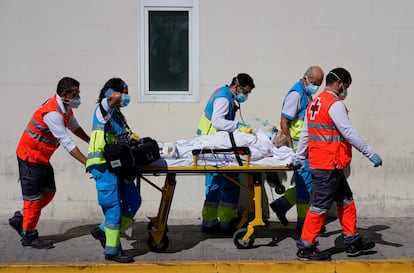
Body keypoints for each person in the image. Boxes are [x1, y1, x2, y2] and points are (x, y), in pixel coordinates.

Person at [294, 67, 383, 261]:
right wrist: (370, 153)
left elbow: (306, 133)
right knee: (319, 206)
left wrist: (300, 156)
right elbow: (348, 132)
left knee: (346, 200)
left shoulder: (315, 102)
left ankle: (351, 241)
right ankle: (305, 247)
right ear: (340, 83)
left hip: (326, 164)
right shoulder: (334, 104)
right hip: (329, 164)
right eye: (347, 86)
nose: (346, 91)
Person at [8, 77, 90, 249]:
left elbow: (74, 127)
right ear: (64, 94)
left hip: (42, 158)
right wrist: (86, 162)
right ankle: (29, 236)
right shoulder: (53, 113)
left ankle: (20, 219)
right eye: (76, 94)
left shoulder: (64, 107)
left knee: (48, 192)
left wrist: (91, 141)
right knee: (33, 199)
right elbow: (66, 141)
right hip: (30, 158)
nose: (78, 97)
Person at [86, 78, 141, 263]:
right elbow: (112, 97)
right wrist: (117, 91)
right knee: (113, 208)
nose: (126, 97)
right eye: (124, 93)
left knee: (133, 200)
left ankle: (103, 231)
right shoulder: (104, 108)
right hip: (102, 164)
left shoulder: (116, 113)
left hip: (117, 165)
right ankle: (112, 250)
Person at [196, 73, 255, 233]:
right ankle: (225, 223)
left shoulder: (222, 93)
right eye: (246, 92)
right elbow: (217, 121)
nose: (246, 96)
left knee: (213, 185)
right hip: (215, 147)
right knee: (230, 183)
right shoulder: (223, 98)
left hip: (211, 145)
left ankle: (209, 222)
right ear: (237, 87)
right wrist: (238, 125)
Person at [269, 66, 324, 235]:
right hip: (300, 147)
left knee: (306, 183)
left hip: (307, 146)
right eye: (314, 83)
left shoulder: (306, 93)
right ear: (305, 78)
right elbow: (284, 121)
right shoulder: (296, 95)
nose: (316, 87)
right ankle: (304, 224)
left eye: (319, 84)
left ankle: (282, 205)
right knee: (306, 186)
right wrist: (293, 147)